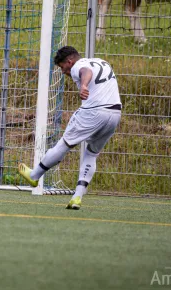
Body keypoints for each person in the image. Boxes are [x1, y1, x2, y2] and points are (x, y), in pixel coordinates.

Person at [18, 46, 121, 209]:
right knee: (92, 153)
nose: (63, 71)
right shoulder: (102, 62)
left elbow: (85, 72)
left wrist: (84, 86)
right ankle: (77, 198)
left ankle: (34, 175)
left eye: (62, 67)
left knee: (64, 145)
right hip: (114, 113)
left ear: (69, 61)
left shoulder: (77, 66)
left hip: (93, 112)